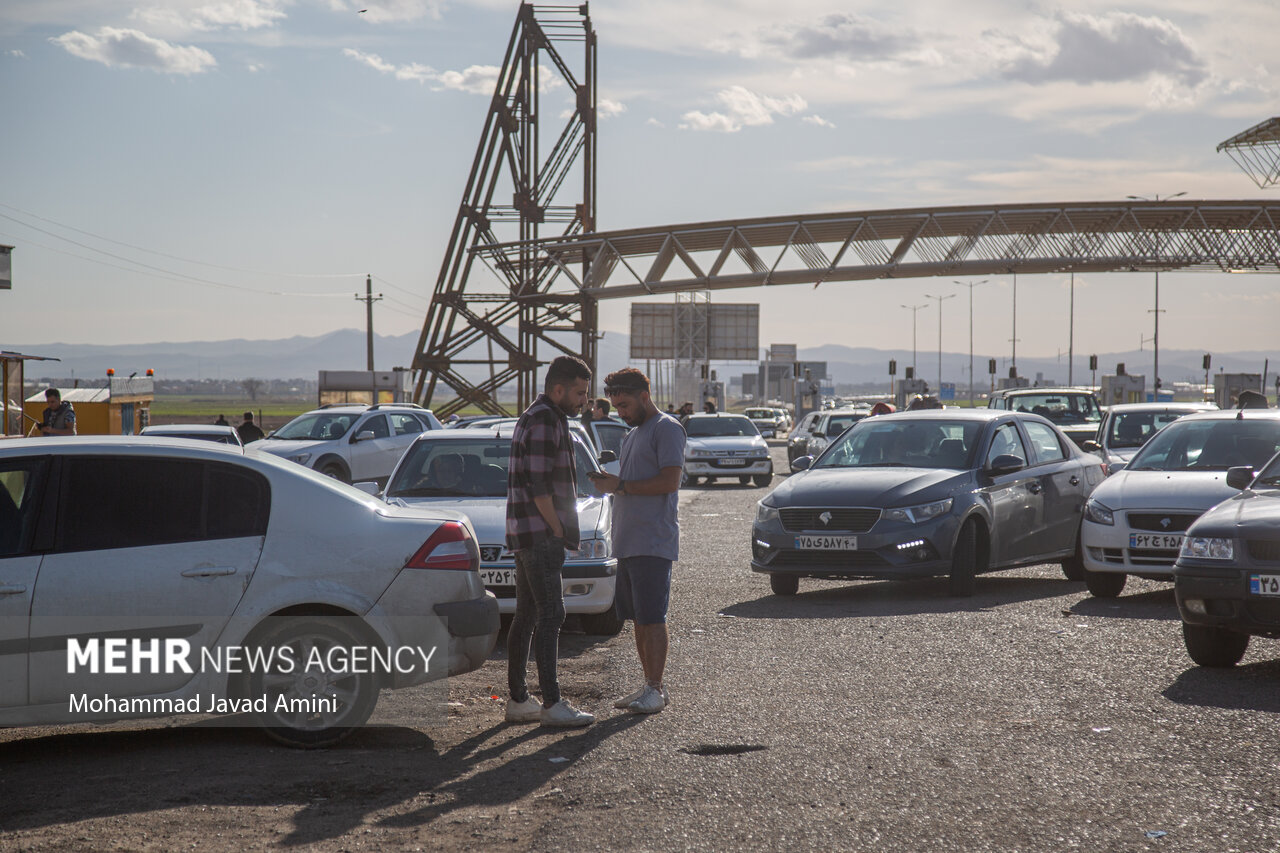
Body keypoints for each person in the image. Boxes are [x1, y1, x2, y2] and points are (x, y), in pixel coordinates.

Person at [504, 355, 595, 728]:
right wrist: (557, 528)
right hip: (540, 536)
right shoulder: (544, 419)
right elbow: (539, 486)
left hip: (527, 534)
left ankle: (518, 700)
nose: (584, 401)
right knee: (551, 614)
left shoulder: (541, 415)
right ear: (558, 389)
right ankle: (552, 704)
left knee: (526, 615)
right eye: (579, 392)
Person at [591, 368, 686, 715]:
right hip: (628, 542)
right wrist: (614, 482)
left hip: (652, 540)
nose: (621, 412)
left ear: (645, 397)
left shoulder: (667, 428)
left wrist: (620, 486)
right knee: (637, 619)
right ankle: (648, 685)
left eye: (626, 404)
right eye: (616, 406)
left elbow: (670, 481)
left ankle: (656, 688)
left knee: (652, 617)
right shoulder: (633, 434)